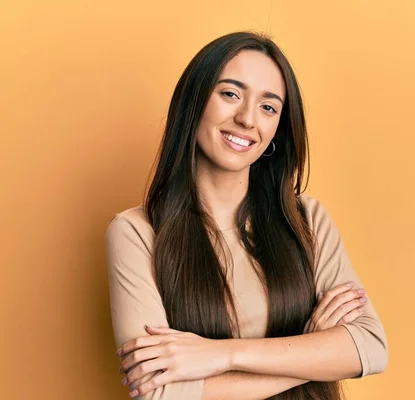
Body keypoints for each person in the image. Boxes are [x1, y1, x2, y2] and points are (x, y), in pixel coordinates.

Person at [106, 31, 388, 400]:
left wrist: (220, 355)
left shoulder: (307, 220)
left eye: (268, 107)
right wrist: (312, 349)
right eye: (230, 94)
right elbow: (159, 393)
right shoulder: (137, 233)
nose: (246, 119)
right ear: (194, 103)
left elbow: (370, 345)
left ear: (275, 132)